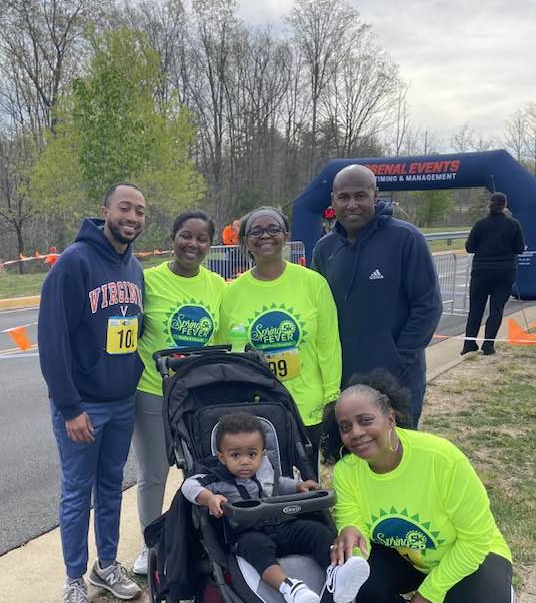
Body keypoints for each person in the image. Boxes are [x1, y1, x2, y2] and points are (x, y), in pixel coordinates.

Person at [322, 371, 514, 603]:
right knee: (354, 575)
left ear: (391, 419)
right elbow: (352, 517)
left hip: (471, 555)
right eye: (346, 427)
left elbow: (476, 540)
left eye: (365, 420)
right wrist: (348, 532)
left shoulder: (441, 458)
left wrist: (428, 595)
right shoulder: (348, 471)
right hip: (411, 556)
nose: (356, 433)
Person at [38, 183, 146, 603]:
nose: (133, 217)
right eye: (125, 208)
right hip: (83, 406)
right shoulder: (72, 265)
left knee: (110, 489)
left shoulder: (135, 268)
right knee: (76, 493)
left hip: (122, 402)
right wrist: (70, 408)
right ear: (104, 210)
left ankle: (106, 566)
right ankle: (73, 581)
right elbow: (52, 343)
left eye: (140, 211)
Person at [181, 412, 370, 603]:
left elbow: (278, 484)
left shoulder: (265, 467)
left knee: (316, 532)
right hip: (246, 532)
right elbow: (188, 485)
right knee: (257, 548)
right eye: (235, 455)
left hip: (281, 523)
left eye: (252, 454)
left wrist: (298, 486)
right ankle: (290, 588)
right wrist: (209, 498)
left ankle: (337, 573)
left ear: (262, 453)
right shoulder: (215, 475)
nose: (245, 461)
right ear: (221, 456)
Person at [131, 210, 225, 574]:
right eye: (186, 236)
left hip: (196, 394)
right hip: (152, 391)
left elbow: (221, 342)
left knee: (198, 471)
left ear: (210, 245)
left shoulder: (217, 286)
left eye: (202, 239)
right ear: (172, 238)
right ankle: (151, 545)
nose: (193, 244)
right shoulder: (147, 280)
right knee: (153, 474)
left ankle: (197, 539)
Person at [312, 165, 442, 427]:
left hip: (398, 380)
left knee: (398, 455)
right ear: (333, 201)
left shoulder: (406, 238)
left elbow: (427, 307)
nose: (352, 204)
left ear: (375, 196)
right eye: (344, 197)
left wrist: (397, 362)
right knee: (352, 458)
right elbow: (315, 310)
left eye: (360, 196)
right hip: (344, 380)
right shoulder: (325, 249)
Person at [217, 207, 341, 471]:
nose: (266, 236)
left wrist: (332, 397)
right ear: (245, 241)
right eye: (256, 231)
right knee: (263, 484)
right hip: (257, 404)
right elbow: (229, 353)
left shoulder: (313, 283)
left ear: (285, 236)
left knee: (307, 483)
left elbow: (328, 344)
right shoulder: (231, 293)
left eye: (273, 229)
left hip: (308, 405)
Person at [461, 192, 525, 356]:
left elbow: (470, 248)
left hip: (481, 271)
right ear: (505, 205)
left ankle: (469, 343)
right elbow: (519, 249)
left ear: (490, 204)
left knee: (476, 308)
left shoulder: (480, 224)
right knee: (496, 309)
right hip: (504, 271)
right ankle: (488, 345)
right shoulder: (514, 224)